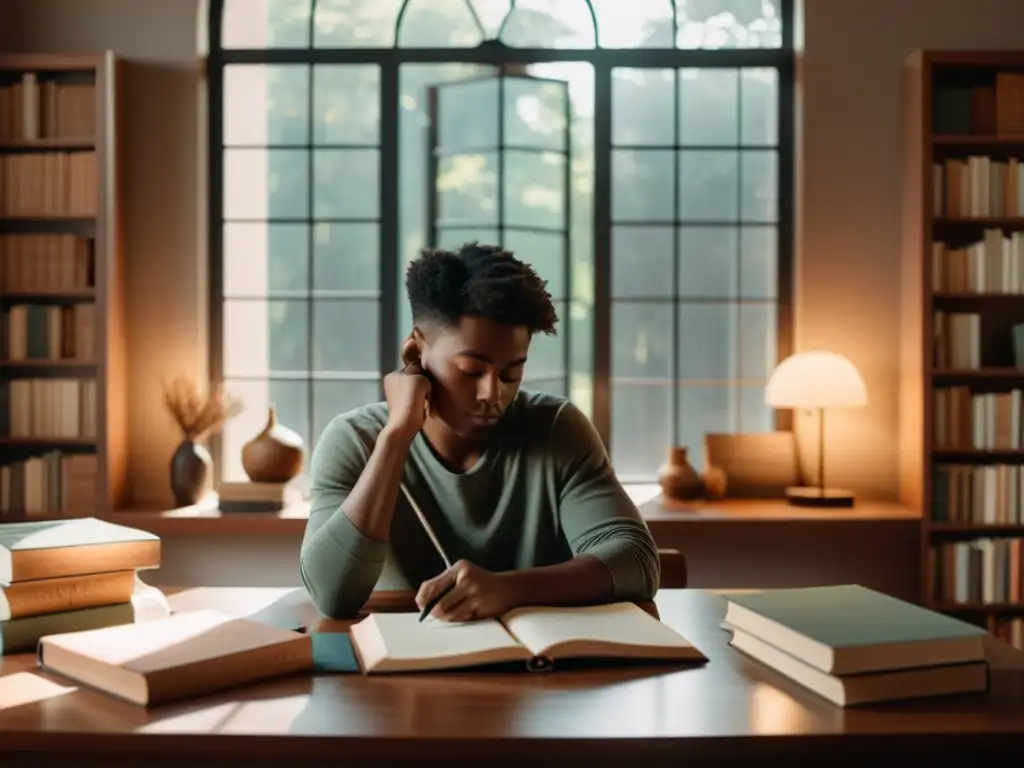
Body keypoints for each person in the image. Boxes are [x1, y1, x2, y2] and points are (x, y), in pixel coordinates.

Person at [300, 242, 660, 621]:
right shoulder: (353, 441)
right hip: (395, 670)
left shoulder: (558, 430)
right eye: (472, 370)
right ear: (416, 349)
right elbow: (330, 594)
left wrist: (508, 588)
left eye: (512, 372)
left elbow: (637, 561)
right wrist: (396, 436)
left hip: (540, 670)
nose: (493, 393)